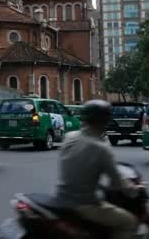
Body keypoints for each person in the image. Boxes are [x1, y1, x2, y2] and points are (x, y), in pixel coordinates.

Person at [54, 100, 137, 239]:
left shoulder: (69, 137)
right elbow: (117, 182)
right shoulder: (101, 148)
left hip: (61, 199)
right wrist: (134, 189)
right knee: (128, 222)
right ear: (105, 121)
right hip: (84, 205)